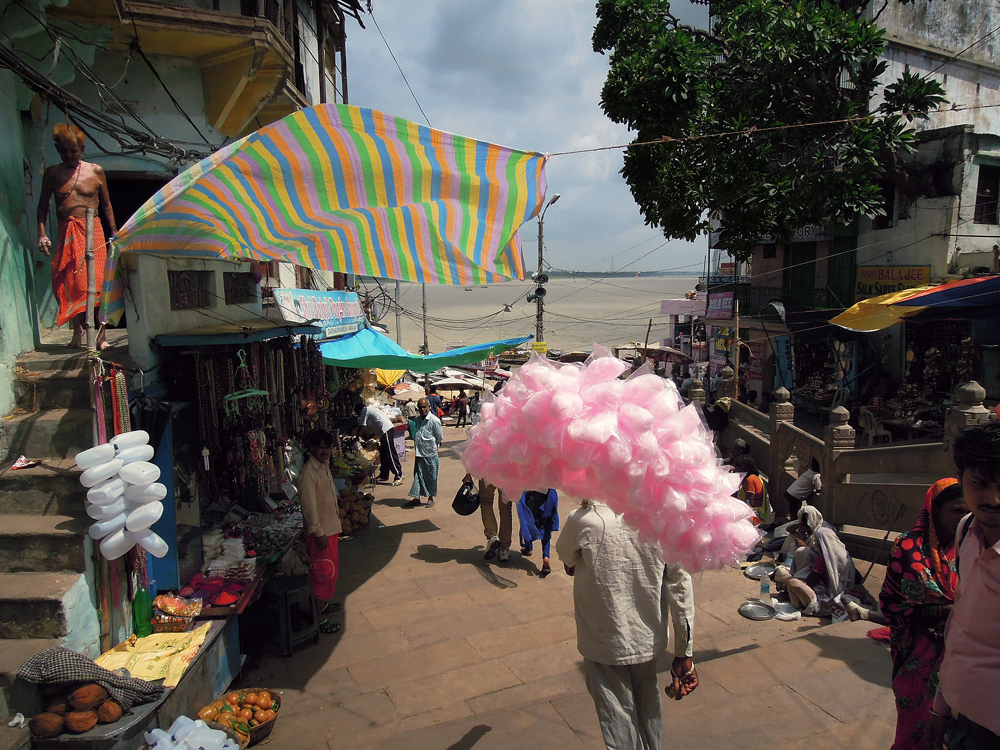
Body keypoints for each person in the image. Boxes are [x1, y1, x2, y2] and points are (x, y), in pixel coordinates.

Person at [556, 500, 697, 750]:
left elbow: (566, 556)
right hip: (647, 640)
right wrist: (684, 653)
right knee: (649, 709)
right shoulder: (661, 517)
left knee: (617, 719)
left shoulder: (583, 519)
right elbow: (681, 586)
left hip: (602, 643)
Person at [873, 478, 967, 750]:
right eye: (956, 511)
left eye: (968, 511)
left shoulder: (972, 547)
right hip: (919, 650)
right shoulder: (908, 549)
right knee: (917, 728)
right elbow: (892, 603)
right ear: (934, 509)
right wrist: (944, 610)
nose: (964, 518)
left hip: (961, 654)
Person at [924, 422, 1000, 750]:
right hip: (959, 719)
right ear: (960, 475)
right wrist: (940, 708)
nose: (994, 499)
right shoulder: (966, 531)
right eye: (980, 483)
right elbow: (960, 628)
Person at [37, 123, 117, 350]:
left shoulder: (95, 171)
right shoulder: (52, 174)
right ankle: (77, 332)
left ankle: (101, 337)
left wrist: (114, 232)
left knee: (98, 284)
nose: (69, 155)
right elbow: (42, 207)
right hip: (67, 232)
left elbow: (107, 205)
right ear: (57, 149)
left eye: (73, 150)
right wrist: (42, 234)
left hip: (94, 231)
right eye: (64, 151)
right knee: (69, 283)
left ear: (82, 148)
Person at [297, 429, 343, 634]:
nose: (324, 451)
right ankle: (319, 618)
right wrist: (318, 532)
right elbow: (309, 508)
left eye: (327, 447)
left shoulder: (323, 467)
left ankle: (322, 604)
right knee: (320, 574)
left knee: (329, 572)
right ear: (312, 449)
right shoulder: (309, 473)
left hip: (331, 528)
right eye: (320, 448)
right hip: (321, 533)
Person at [773, 504, 856, 617]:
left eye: (817, 542)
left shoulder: (822, 559)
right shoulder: (844, 556)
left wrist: (785, 587)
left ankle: (810, 606)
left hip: (826, 597)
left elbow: (810, 582)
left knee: (792, 583)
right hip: (832, 588)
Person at [464, 472, 513, 562]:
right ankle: (504, 549)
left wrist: (468, 473)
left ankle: (492, 534)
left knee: (486, 502)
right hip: (507, 469)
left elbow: (471, 456)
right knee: (505, 508)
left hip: (487, 468)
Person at [404, 398, 443, 509]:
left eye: (424, 407)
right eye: (420, 407)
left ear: (429, 407)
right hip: (419, 453)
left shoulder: (434, 420)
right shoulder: (417, 420)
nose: (422, 409)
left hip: (430, 453)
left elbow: (439, 437)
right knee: (417, 475)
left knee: (431, 476)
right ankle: (416, 498)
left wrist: (433, 445)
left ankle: (431, 498)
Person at [357, 402, 403, 486]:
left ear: (359, 410)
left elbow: (362, 426)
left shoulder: (365, 410)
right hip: (384, 432)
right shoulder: (371, 410)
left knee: (390, 453)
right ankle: (384, 474)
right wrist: (370, 436)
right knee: (384, 453)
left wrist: (357, 437)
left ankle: (398, 474)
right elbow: (377, 423)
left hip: (386, 430)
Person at [516, 489, 559, 577]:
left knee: (527, 522)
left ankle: (528, 547)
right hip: (548, 495)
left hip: (531, 493)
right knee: (546, 528)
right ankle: (546, 557)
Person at [782, 456, 822, 522]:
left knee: (793, 512)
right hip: (795, 496)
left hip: (790, 492)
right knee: (795, 514)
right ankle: (794, 525)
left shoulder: (809, 471)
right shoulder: (816, 475)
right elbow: (818, 488)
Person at [733, 453, 768, 524]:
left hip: (755, 515)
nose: (734, 469)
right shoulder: (754, 477)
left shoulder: (750, 480)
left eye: (736, 467)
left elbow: (749, 503)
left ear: (741, 468)